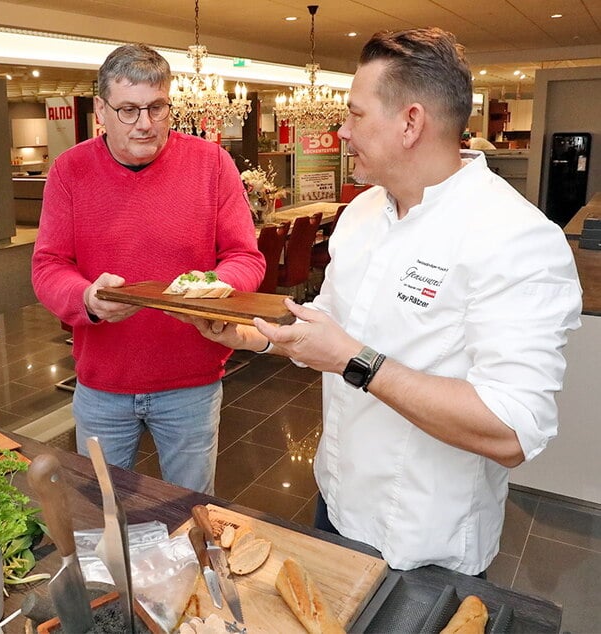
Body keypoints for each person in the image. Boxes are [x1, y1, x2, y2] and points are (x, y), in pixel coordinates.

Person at [179, 28, 582, 574]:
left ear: (411, 122)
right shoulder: (365, 212)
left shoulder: (514, 237)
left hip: (425, 539)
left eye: (355, 115)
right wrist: (250, 335)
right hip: (335, 504)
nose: (342, 131)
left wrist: (356, 361)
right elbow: (328, 326)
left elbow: (512, 430)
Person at [31, 43, 264, 494]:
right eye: (129, 110)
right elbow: (48, 266)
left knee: (192, 508)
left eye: (158, 108)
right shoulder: (70, 170)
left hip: (190, 384)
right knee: (104, 510)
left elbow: (245, 257)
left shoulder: (212, 163)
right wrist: (87, 299)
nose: (145, 123)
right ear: (100, 108)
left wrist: (211, 287)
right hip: (103, 384)